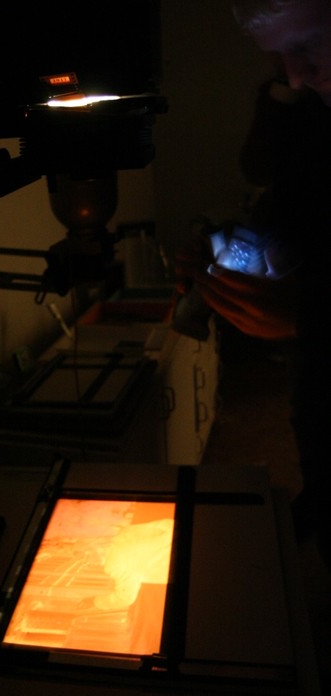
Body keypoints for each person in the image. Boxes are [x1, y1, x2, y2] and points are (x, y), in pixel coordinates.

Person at [174, 0, 331, 563]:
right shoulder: (309, 104)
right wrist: (230, 248)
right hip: (315, 359)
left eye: (305, 46)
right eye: (277, 57)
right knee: (314, 419)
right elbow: (282, 192)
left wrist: (309, 314)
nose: (293, 74)